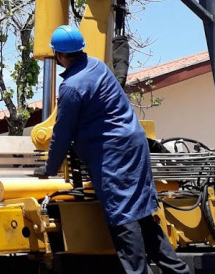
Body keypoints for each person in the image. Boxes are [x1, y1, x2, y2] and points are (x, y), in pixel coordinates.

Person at [33, 25, 190, 274]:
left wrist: (49, 168)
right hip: (134, 145)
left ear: (59, 55)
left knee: (124, 217)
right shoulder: (97, 66)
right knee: (143, 215)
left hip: (113, 154)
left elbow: (62, 133)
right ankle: (178, 271)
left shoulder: (72, 87)